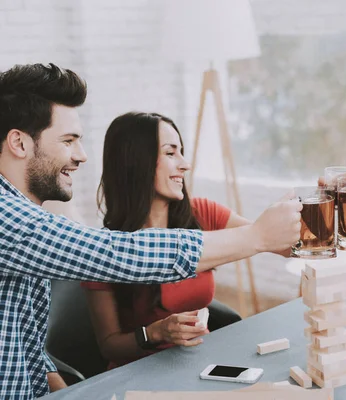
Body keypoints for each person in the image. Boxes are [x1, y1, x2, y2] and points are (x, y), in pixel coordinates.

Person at [0, 63, 301, 399]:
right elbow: (117, 254)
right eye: (68, 141)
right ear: (19, 143)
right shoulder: (6, 219)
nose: (81, 156)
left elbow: (29, 348)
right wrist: (256, 236)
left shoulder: (24, 223)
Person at [82, 112, 281, 368]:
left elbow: (280, 242)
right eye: (170, 152)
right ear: (136, 161)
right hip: (138, 373)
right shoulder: (106, 248)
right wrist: (156, 333)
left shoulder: (202, 214)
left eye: (182, 151)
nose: (185, 164)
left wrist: (326, 203)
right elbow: (109, 344)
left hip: (197, 363)